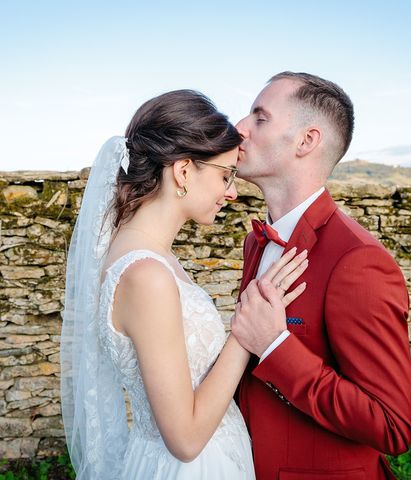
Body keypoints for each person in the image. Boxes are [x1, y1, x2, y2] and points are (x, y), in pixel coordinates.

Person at [60, 90, 308, 480]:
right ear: (183, 170)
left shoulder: (147, 255)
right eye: (225, 175)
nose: (232, 192)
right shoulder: (147, 275)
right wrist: (246, 332)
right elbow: (186, 438)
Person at [231, 72, 411, 479]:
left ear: (306, 141)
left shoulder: (358, 260)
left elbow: (392, 425)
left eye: (259, 118)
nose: (239, 128)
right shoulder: (256, 242)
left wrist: (275, 346)